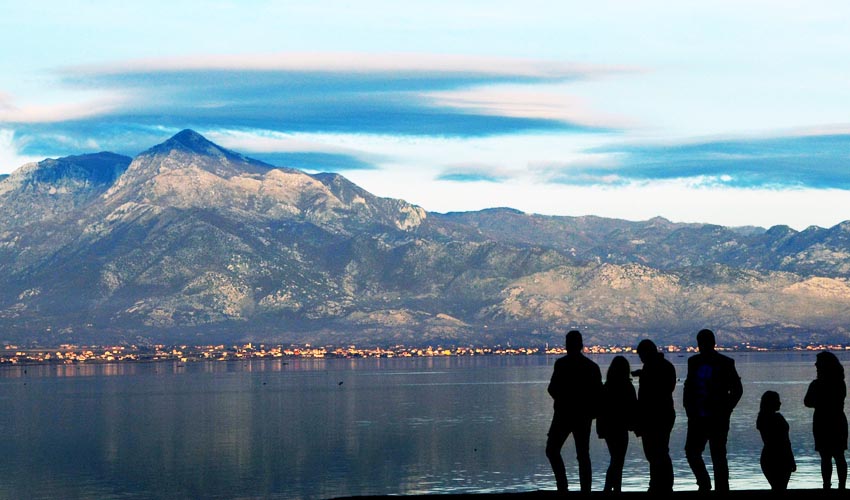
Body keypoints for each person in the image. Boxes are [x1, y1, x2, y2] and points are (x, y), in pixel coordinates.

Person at [683, 328, 743, 492]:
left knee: (717, 455)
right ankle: (705, 483)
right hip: (698, 417)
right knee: (694, 452)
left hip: (717, 418)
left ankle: (719, 488)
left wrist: (727, 409)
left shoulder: (725, 362)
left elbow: (737, 390)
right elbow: (689, 387)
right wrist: (689, 409)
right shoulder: (693, 362)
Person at [546, 330, 603, 493]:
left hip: (563, 415)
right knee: (583, 455)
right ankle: (585, 490)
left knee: (552, 450)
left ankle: (562, 486)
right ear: (581, 345)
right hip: (583, 416)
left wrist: (562, 400)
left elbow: (552, 388)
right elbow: (598, 395)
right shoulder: (592, 367)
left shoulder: (561, 364)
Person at [634, 339, 677, 493]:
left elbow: (658, 390)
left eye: (641, 355)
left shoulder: (652, 368)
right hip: (664, 414)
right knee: (658, 451)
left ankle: (660, 485)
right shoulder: (664, 366)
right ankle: (661, 484)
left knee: (656, 451)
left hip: (656, 416)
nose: (641, 359)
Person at [804, 351, 848, 490]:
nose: (815, 364)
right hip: (836, 420)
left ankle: (827, 486)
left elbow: (807, 402)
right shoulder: (840, 383)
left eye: (818, 362)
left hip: (823, 421)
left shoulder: (816, 384)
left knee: (827, 456)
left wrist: (819, 402)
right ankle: (841, 486)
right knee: (838, 455)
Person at [597, 355, 637, 492]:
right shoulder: (628, 387)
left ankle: (611, 488)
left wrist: (600, 428)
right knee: (618, 459)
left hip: (608, 428)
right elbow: (633, 408)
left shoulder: (606, 387)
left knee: (615, 458)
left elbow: (600, 409)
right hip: (621, 428)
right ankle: (612, 488)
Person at [757, 390, 796, 490]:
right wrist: (791, 459)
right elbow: (786, 442)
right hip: (782, 457)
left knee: (776, 487)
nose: (780, 403)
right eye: (777, 400)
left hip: (768, 457)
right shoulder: (778, 419)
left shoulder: (762, 419)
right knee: (781, 487)